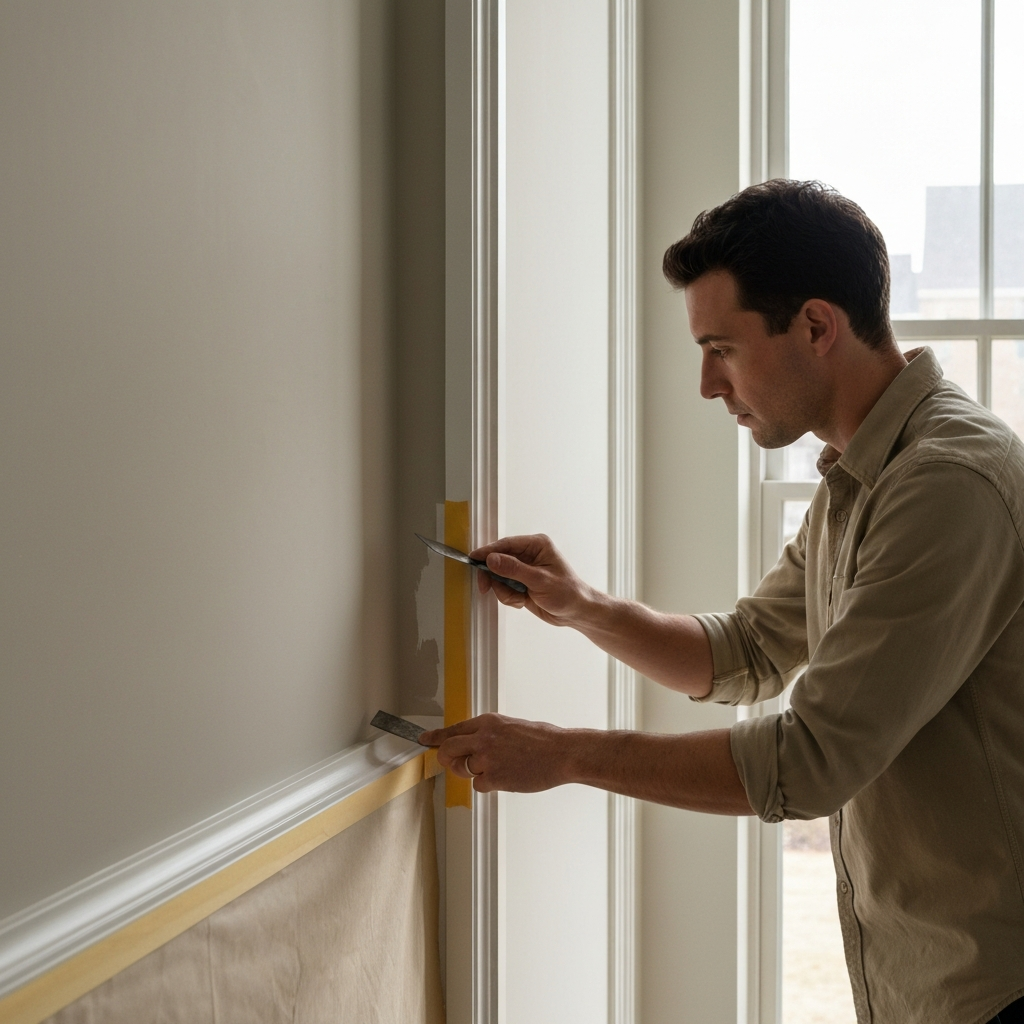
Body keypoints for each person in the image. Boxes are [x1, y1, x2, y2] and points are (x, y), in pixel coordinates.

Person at [419, 179, 1024, 1024]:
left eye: (722, 348)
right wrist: (580, 603)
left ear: (816, 327)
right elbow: (742, 653)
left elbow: (807, 763)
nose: (709, 384)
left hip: (991, 985)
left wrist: (563, 755)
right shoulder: (864, 472)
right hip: (921, 982)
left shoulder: (945, 484)